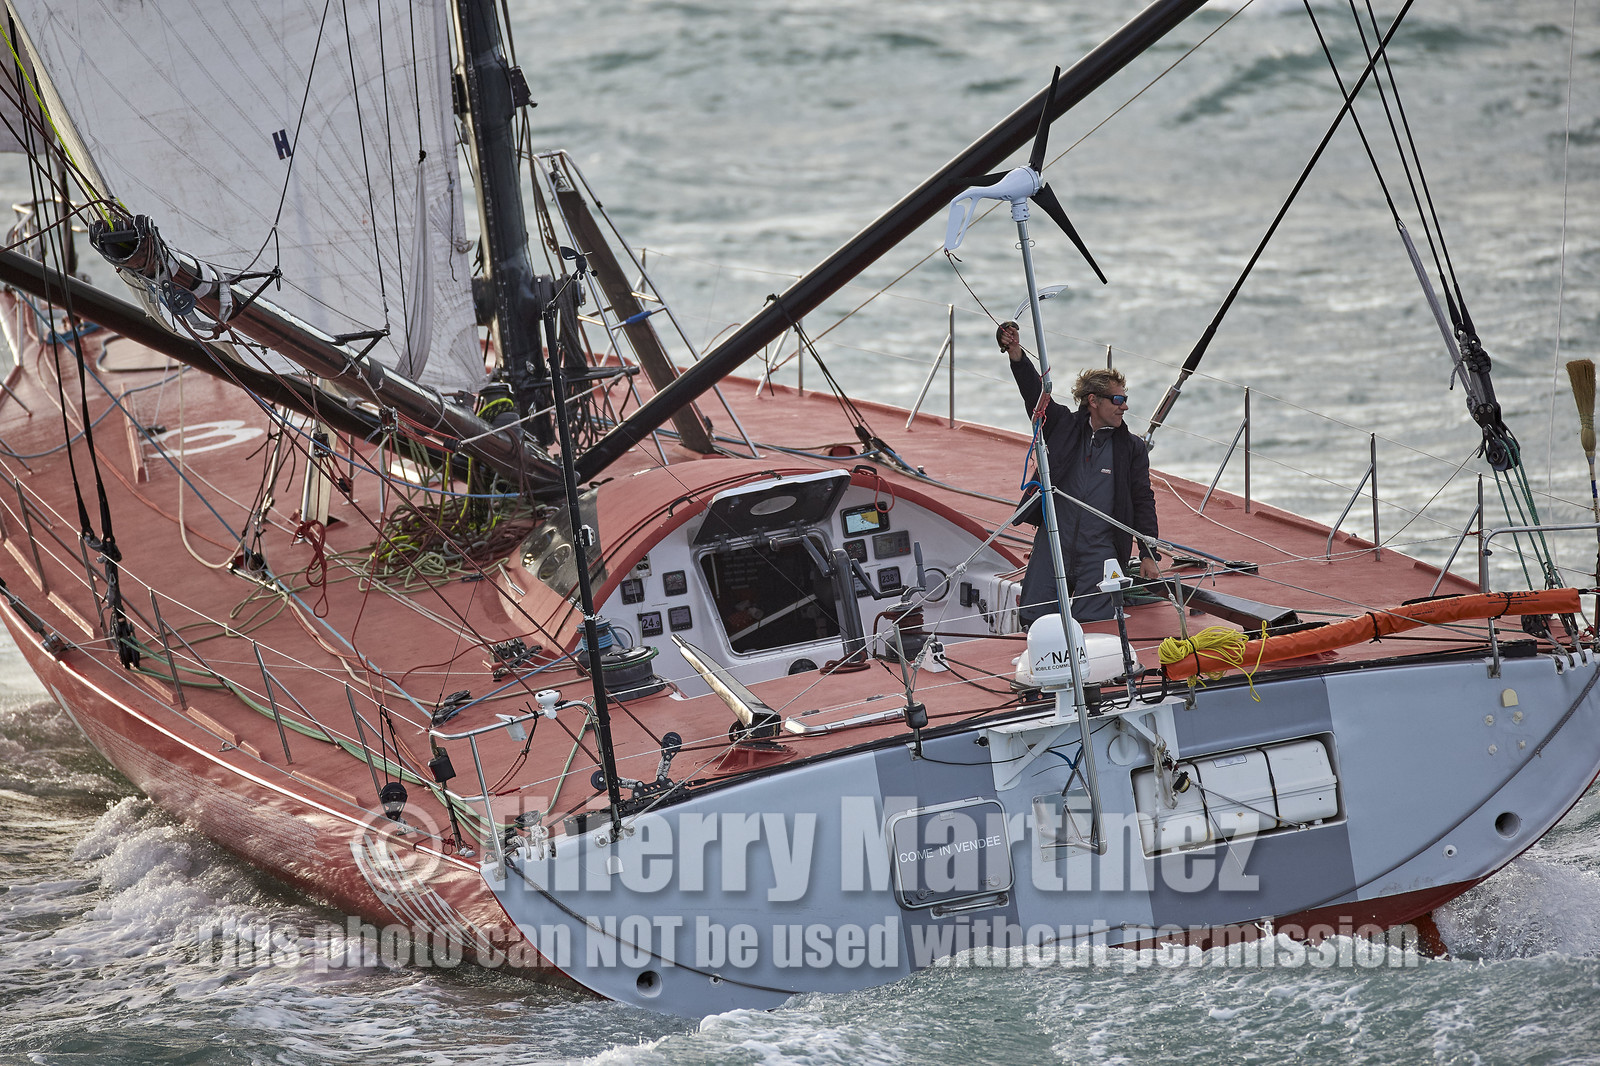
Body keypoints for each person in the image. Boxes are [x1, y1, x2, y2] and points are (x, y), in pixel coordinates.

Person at [998, 320, 1160, 625]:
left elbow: (1143, 500)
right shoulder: (1062, 425)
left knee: (1097, 624)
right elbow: (1035, 395)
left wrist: (1148, 553)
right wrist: (1017, 353)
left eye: (1125, 400)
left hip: (1100, 549)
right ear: (1093, 401)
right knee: (1035, 618)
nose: (1124, 407)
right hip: (1054, 541)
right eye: (1118, 400)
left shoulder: (1131, 448)